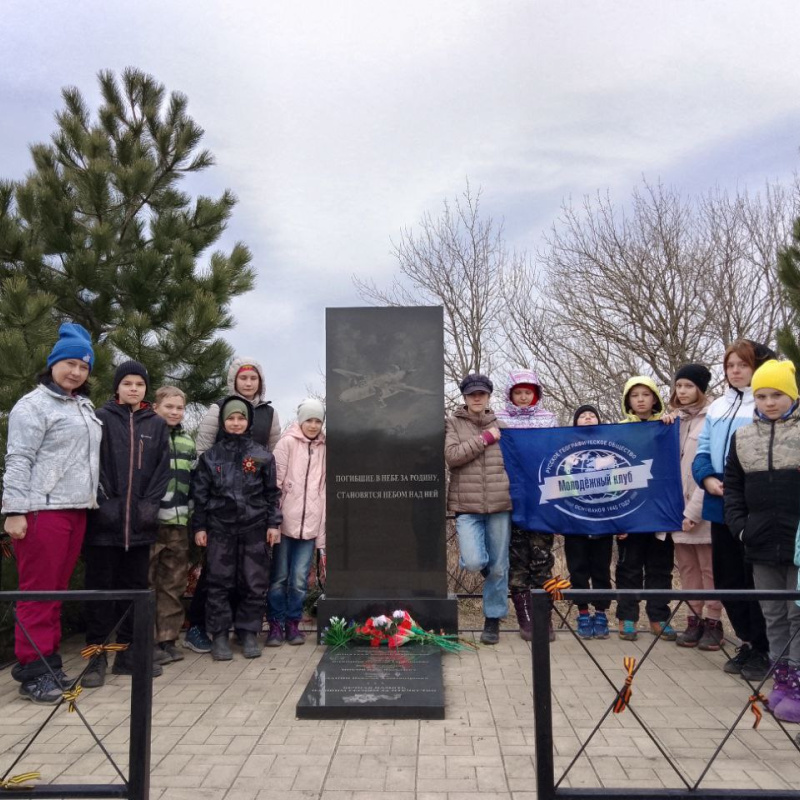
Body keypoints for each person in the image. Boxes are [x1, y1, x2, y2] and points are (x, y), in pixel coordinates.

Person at [2, 323, 102, 703]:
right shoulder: (33, 406)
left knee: (55, 593)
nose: (76, 372)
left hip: (76, 509)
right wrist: (14, 510)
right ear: (54, 364)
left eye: (83, 366)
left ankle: (49, 662)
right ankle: (33, 671)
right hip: (42, 510)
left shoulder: (82, 405)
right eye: (70, 364)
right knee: (38, 593)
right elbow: (18, 459)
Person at [82, 361, 170, 688]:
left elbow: (162, 470)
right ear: (117, 387)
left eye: (139, 384)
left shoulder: (156, 425)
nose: (133, 388)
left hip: (140, 527)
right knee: (101, 591)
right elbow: (92, 465)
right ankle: (96, 655)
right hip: (104, 526)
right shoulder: (100, 419)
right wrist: (104, 503)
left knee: (135, 590)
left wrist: (150, 505)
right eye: (127, 383)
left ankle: (128, 654)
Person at [185, 356, 281, 653]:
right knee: (219, 582)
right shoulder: (212, 457)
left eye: (241, 418)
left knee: (253, 582)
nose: (236, 422)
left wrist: (273, 523)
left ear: (249, 421)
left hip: (254, 527)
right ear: (224, 421)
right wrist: (200, 525)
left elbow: (271, 493)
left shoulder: (262, 456)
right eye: (231, 418)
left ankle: (248, 632)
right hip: (220, 528)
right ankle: (220, 635)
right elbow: (200, 493)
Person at [692, 339, 774, 681]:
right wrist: (707, 478)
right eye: (730, 365)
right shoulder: (718, 407)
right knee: (728, 579)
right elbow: (703, 451)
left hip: (754, 503)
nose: (735, 371)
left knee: (756, 579)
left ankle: (766, 646)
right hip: (719, 501)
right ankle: (748, 640)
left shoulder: (766, 401)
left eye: (742, 364)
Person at [724, 360, 800, 722]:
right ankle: (781, 682)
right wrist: (741, 528)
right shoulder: (742, 437)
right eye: (762, 396)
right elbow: (733, 490)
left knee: (797, 613)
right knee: (773, 614)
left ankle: (798, 685)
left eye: (778, 395)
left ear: (792, 395)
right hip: (760, 544)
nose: (769, 403)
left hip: (798, 544)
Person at [445, 373, 512, 645]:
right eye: (472, 393)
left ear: (488, 396)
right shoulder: (452, 423)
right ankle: (494, 576)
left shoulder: (504, 425)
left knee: (498, 568)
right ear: (464, 397)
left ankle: (492, 620)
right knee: (474, 561)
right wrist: (484, 438)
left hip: (499, 505)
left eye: (481, 393)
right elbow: (452, 457)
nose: (476, 397)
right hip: (466, 506)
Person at [494, 369, 557, 641]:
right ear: (510, 394)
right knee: (518, 561)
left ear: (536, 394)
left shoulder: (549, 419)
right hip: (512, 497)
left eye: (527, 392)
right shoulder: (499, 420)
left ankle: (545, 618)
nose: (522, 397)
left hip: (542, 499)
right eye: (517, 392)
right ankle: (526, 619)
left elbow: (557, 453)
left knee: (542, 560)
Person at [666, 365, 724, 650]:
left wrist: (694, 511)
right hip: (675, 510)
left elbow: (710, 469)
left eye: (688, 386)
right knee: (687, 568)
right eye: (679, 386)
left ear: (700, 388)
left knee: (709, 568)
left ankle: (714, 621)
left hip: (702, 508)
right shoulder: (674, 421)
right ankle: (693, 618)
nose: (683, 392)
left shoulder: (714, 418)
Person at [615, 376, 676, 641]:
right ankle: (627, 618)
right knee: (629, 568)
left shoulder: (668, 426)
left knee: (660, 567)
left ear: (655, 398)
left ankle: (659, 616)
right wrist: (616, 519)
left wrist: (669, 425)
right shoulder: (616, 431)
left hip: (661, 511)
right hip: (630, 511)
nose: (640, 399)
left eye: (645, 394)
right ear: (628, 401)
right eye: (634, 395)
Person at [265, 398, 326, 647]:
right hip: (285, 523)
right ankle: (275, 624)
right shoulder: (286, 443)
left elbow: (324, 488)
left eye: (317, 421)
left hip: (310, 526)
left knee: (300, 580)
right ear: (301, 421)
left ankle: (293, 623)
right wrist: (273, 521)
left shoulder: (325, 447)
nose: (313, 425)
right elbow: (274, 483)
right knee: (279, 577)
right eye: (309, 420)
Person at [149, 386, 196, 663]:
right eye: (169, 407)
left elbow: (192, 482)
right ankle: (148, 639)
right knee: (148, 583)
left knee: (173, 583)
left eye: (179, 408)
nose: (175, 412)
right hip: (151, 523)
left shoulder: (188, 442)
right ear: (156, 407)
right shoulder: (149, 436)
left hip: (179, 523)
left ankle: (167, 638)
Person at [563, 404, 614, 640]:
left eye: (592, 415)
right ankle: (583, 612)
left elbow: (621, 485)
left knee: (601, 570)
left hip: (604, 521)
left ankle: (601, 613)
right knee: (578, 570)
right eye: (582, 415)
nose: (587, 418)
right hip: (574, 524)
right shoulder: (567, 449)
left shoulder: (610, 449)